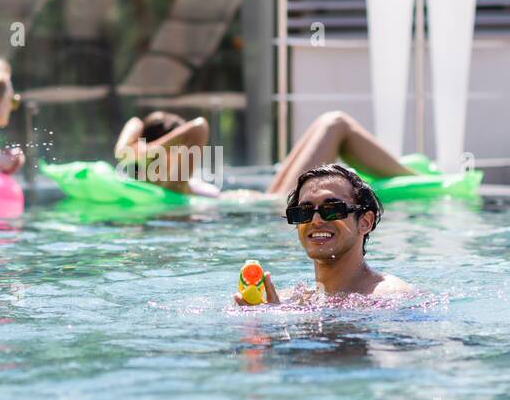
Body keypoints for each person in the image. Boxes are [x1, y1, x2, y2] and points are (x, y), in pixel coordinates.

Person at [236, 163, 413, 305]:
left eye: (332, 209)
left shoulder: (389, 295)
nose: (316, 220)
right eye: (304, 212)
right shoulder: (290, 300)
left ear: (365, 222)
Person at [266, 110, 416, 198]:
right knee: (336, 123)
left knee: (326, 121)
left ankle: (410, 175)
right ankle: (414, 178)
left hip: (272, 203)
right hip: (283, 207)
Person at [113, 110, 214, 195]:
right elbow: (133, 123)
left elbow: (200, 126)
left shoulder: (172, 187)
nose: (181, 157)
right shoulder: (172, 186)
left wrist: (148, 151)